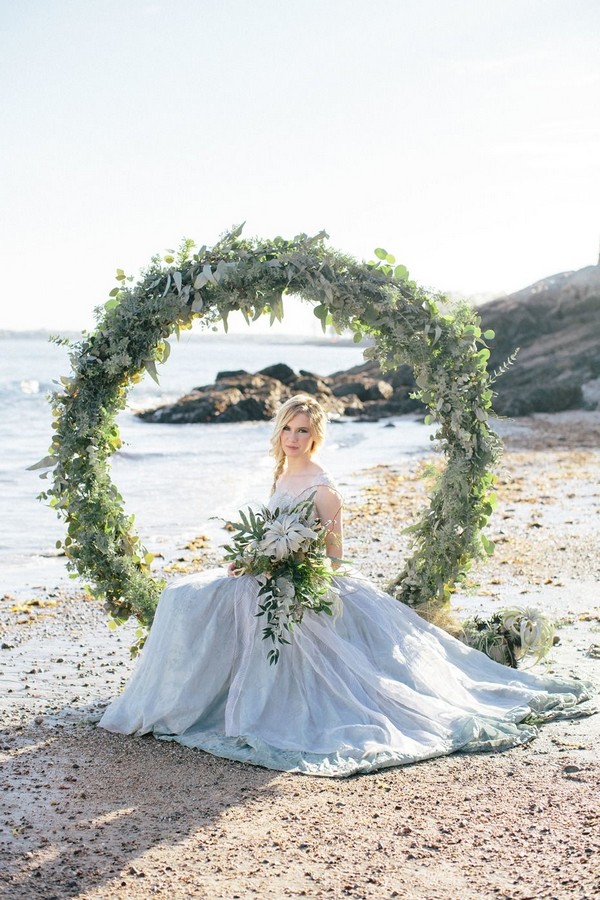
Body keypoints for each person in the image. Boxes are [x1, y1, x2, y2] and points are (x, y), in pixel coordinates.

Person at [99, 395, 594, 777]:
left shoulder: (323, 487)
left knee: (197, 599)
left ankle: (196, 705)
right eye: (288, 429)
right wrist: (253, 559)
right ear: (280, 432)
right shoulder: (282, 473)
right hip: (262, 572)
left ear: (316, 436)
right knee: (182, 595)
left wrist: (286, 566)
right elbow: (271, 532)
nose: (294, 437)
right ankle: (172, 700)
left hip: (295, 579)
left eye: (303, 431)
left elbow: (333, 555)